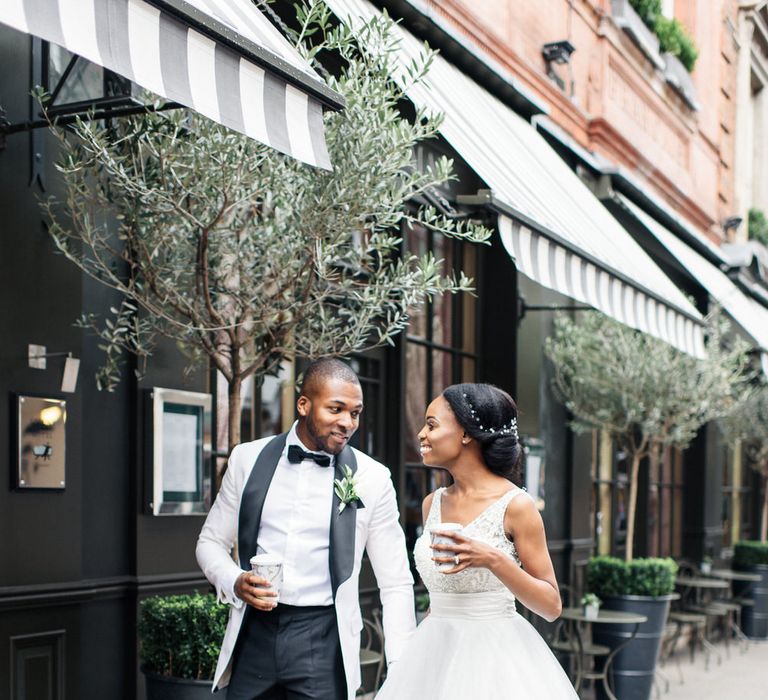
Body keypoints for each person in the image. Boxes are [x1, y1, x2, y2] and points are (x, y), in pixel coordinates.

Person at [196, 358, 416, 699]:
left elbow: (396, 582)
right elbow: (210, 542)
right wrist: (234, 581)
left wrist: (402, 667)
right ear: (303, 405)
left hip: (323, 641)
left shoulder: (372, 479)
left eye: (355, 413)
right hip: (254, 633)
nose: (347, 422)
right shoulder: (246, 459)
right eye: (336, 409)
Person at [376, 382, 579, 699]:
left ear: (467, 433)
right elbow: (443, 591)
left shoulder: (517, 506)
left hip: (494, 660)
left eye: (431, 425)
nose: (421, 435)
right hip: (433, 649)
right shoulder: (433, 503)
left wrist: (493, 559)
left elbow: (552, 606)